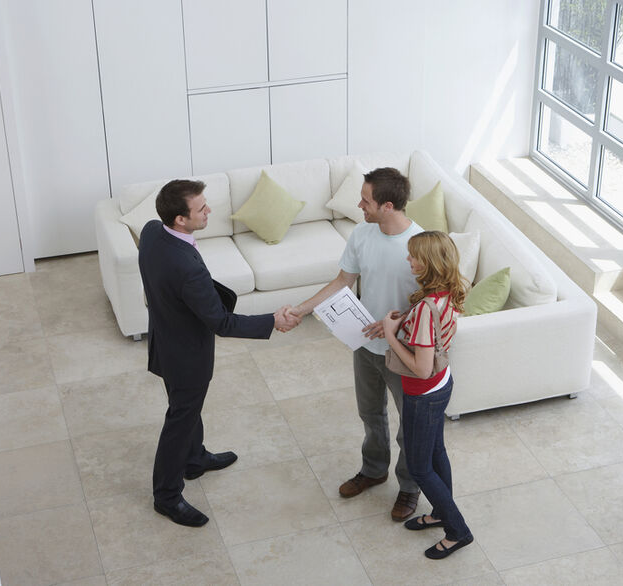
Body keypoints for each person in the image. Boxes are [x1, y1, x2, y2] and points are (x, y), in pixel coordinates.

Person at [138, 179, 299, 527]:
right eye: (201, 208)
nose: (209, 210)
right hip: (186, 357)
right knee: (179, 420)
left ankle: (194, 459)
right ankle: (166, 495)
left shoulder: (152, 232)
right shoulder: (188, 269)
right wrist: (272, 320)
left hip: (165, 341)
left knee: (187, 408)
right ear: (181, 219)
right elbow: (222, 323)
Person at [289, 167, 424, 521]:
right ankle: (374, 469)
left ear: (388, 205)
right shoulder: (362, 233)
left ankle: (410, 488)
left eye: (366, 200)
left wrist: (397, 324)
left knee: (408, 428)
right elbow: (343, 281)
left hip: (405, 353)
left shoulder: (421, 245)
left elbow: (441, 301)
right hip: (365, 346)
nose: (359, 205)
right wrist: (302, 310)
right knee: (370, 414)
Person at [382, 231, 473, 559]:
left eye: (414, 256)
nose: (409, 260)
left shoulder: (424, 308)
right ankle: (440, 512)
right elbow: (434, 339)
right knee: (436, 453)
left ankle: (457, 531)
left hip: (423, 392)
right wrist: (404, 321)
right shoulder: (447, 293)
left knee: (420, 467)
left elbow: (420, 368)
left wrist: (391, 336)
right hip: (441, 383)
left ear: (430, 263)